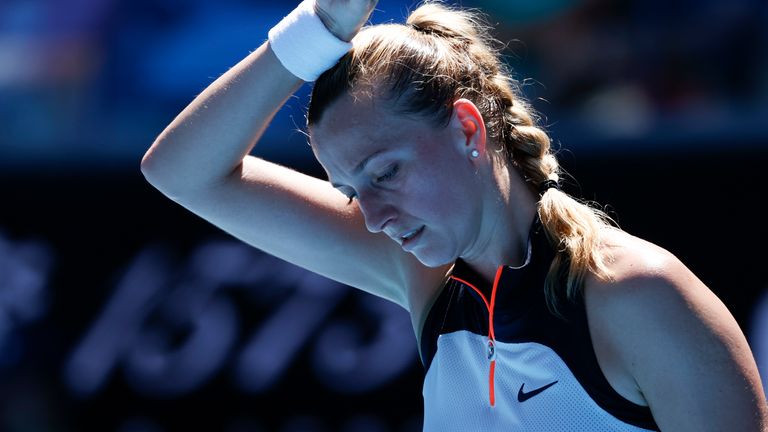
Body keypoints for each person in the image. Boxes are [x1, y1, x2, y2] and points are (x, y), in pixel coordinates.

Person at [140, 0, 768, 430]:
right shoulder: (425, 276)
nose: (376, 216)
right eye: (353, 191)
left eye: (385, 172)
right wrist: (319, 28)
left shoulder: (640, 296)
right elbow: (178, 172)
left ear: (468, 128)